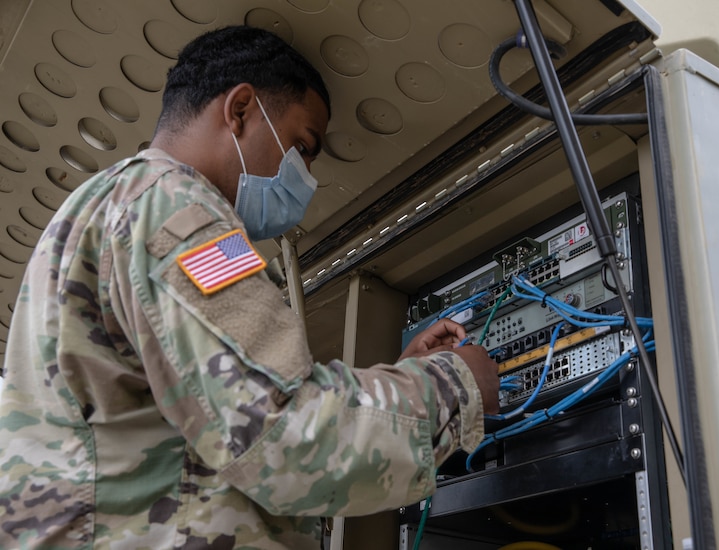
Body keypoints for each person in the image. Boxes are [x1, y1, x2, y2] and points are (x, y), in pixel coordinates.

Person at [0, 25, 500, 549]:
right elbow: (283, 436)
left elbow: (217, 412)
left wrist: (398, 380)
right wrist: (453, 385)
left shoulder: (106, 205)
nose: (304, 177)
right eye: (302, 147)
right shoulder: (185, 214)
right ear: (239, 110)